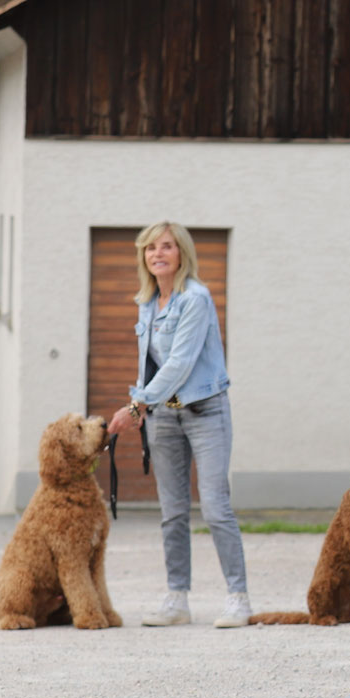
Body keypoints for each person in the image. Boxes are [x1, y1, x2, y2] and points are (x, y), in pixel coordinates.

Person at [105, 222, 250, 628]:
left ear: (182, 253)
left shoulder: (196, 299)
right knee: (171, 512)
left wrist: (135, 406)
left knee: (216, 508)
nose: (158, 254)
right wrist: (147, 405)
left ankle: (238, 597)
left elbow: (181, 363)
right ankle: (177, 599)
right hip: (164, 415)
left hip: (205, 411)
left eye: (166, 246)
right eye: (150, 248)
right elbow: (149, 363)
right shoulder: (147, 302)